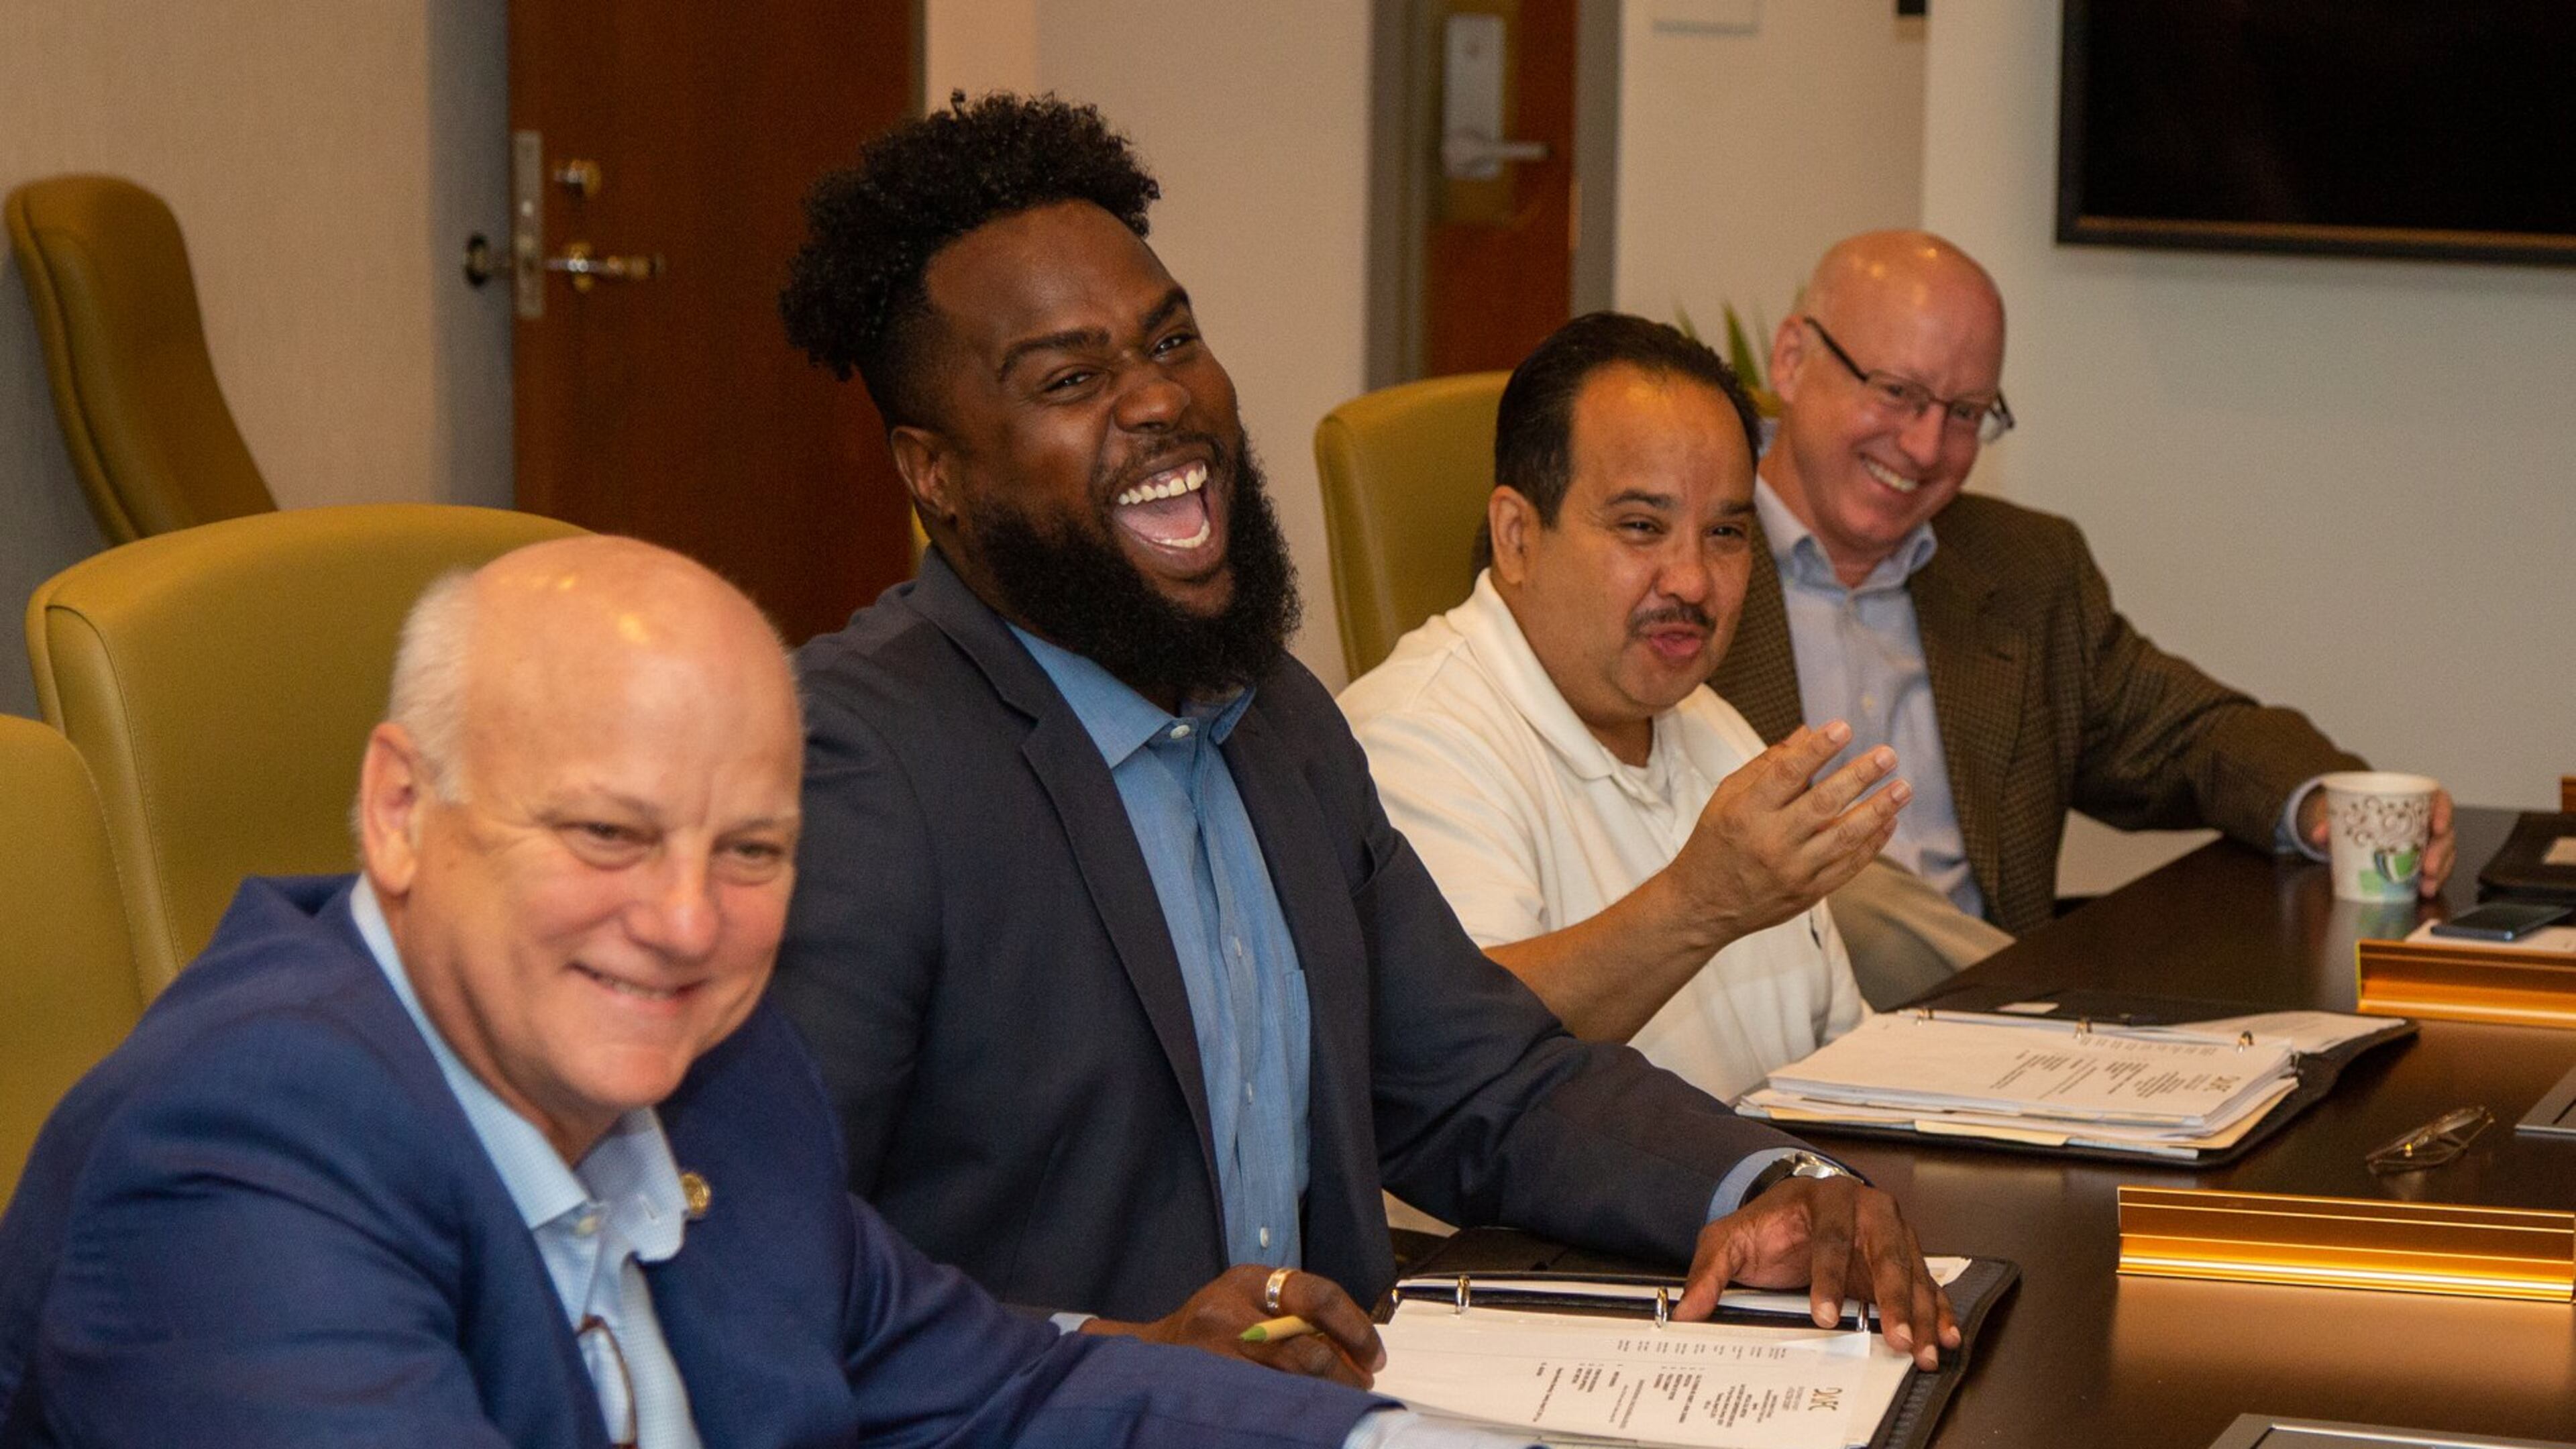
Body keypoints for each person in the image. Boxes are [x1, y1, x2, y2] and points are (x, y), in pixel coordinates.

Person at [771, 91, 1957, 1383]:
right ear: (933, 473)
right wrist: (1116, 1358)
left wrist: (1767, 1181)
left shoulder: (1273, 715)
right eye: (1072, 378)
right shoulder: (855, 766)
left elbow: (1481, 1083)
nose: (1160, 399)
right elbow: (770, 1259)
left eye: (1173, 339)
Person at [0, 536, 1421, 1448]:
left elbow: (1003, 1392)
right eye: (607, 834)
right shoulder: (242, 1160)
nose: (687, 924)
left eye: (751, 851)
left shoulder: (723, 1088)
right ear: (399, 810)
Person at [1711, 229, 2455, 1003]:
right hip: (1756, 1042)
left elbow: (2186, 736)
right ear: (1792, 359)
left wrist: (2328, 804)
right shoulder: (1684, 559)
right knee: (1843, 893)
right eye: (1897, 392)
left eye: (1966, 413)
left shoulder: (2023, 572)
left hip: (1991, 1076)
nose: (1927, 445)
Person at [1339, 313, 1895, 1100]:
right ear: (1517, 535)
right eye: (1642, 527)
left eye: (1727, 532)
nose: (1694, 582)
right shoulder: (1411, 739)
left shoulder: (1712, 724)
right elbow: (1452, 1056)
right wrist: (1702, 903)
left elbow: (1837, 1055)